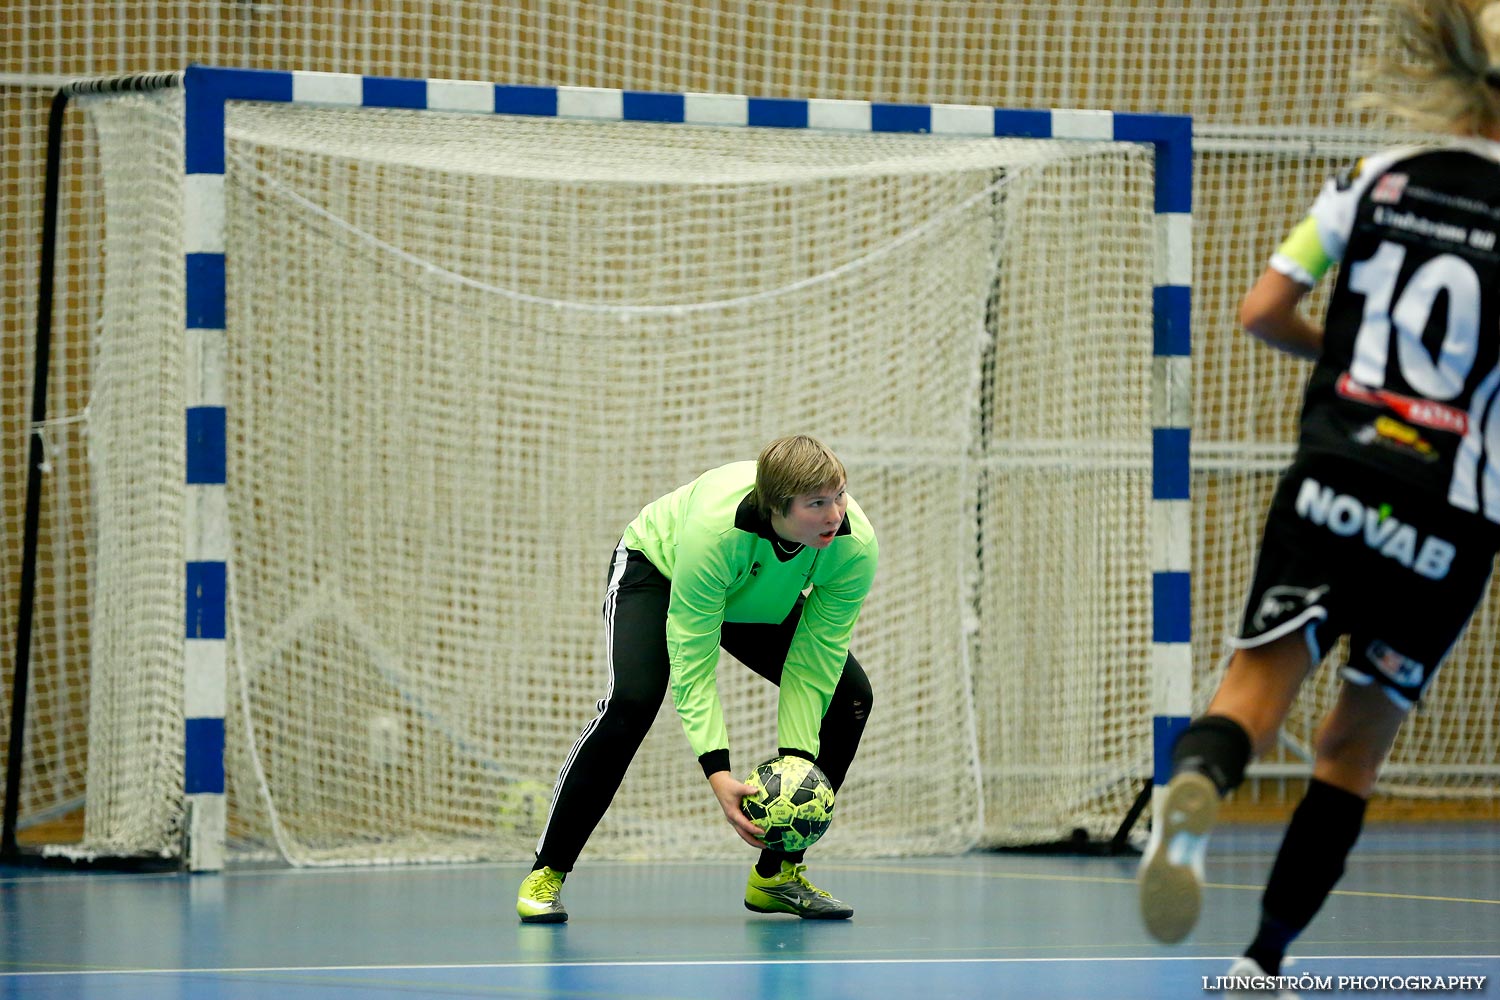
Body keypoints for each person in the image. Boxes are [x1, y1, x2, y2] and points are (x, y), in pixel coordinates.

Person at [1138, 0, 1500, 985]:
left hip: (1336, 472)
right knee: (1350, 750)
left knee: (1253, 692)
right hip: (1449, 509)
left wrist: (1347, 367)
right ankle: (1264, 959)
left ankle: (1201, 788)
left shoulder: (1374, 178)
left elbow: (1263, 310)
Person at [516, 434, 877, 923]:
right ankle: (548, 872)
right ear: (776, 507)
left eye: (839, 495)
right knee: (633, 702)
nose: (836, 514)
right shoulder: (715, 532)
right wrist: (717, 770)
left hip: (753, 594)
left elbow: (814, 662)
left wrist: (795, 769)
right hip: (660, 570)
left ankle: (777, 875)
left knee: (849, 697)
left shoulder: (852, 546)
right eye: (817, 503)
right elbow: (693, 662)